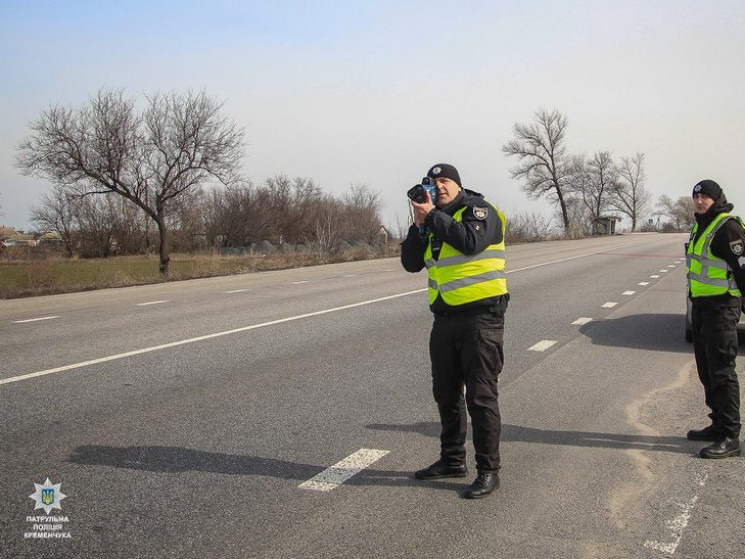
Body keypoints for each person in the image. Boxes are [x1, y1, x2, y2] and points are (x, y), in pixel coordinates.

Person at [401, 163, 508, 498]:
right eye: (433, 182)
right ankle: (452, 460)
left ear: (458, 185)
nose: (439, 186)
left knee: (480, 397)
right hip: (445, 320)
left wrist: (432, 216)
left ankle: (489, 470)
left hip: (481, 320)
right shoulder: (433, 221)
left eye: (444, 180)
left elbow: (470, 242)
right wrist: (418, 225)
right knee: (446, 395)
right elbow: (410, 263)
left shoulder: (481, 211)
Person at [686, 179, 745, 459]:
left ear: (717, 198)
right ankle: (717, 424)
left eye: (705, 196)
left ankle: (731, 436)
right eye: (696, 196)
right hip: (702, 307)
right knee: (707, 370)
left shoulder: (727, 226)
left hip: (722, 307)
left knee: (722, 371)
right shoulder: (701, 224)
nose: (699, 201)